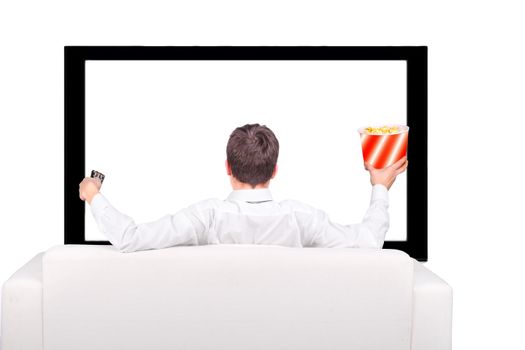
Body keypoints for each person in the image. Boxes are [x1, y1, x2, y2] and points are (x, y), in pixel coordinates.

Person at [79, 123, 408, 253]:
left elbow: (130, 239)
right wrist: (380, 187)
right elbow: (368, 243)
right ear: (275, 170)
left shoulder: (208, 216)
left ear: (227, 167)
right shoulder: (300, 218)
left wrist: (93, 194)